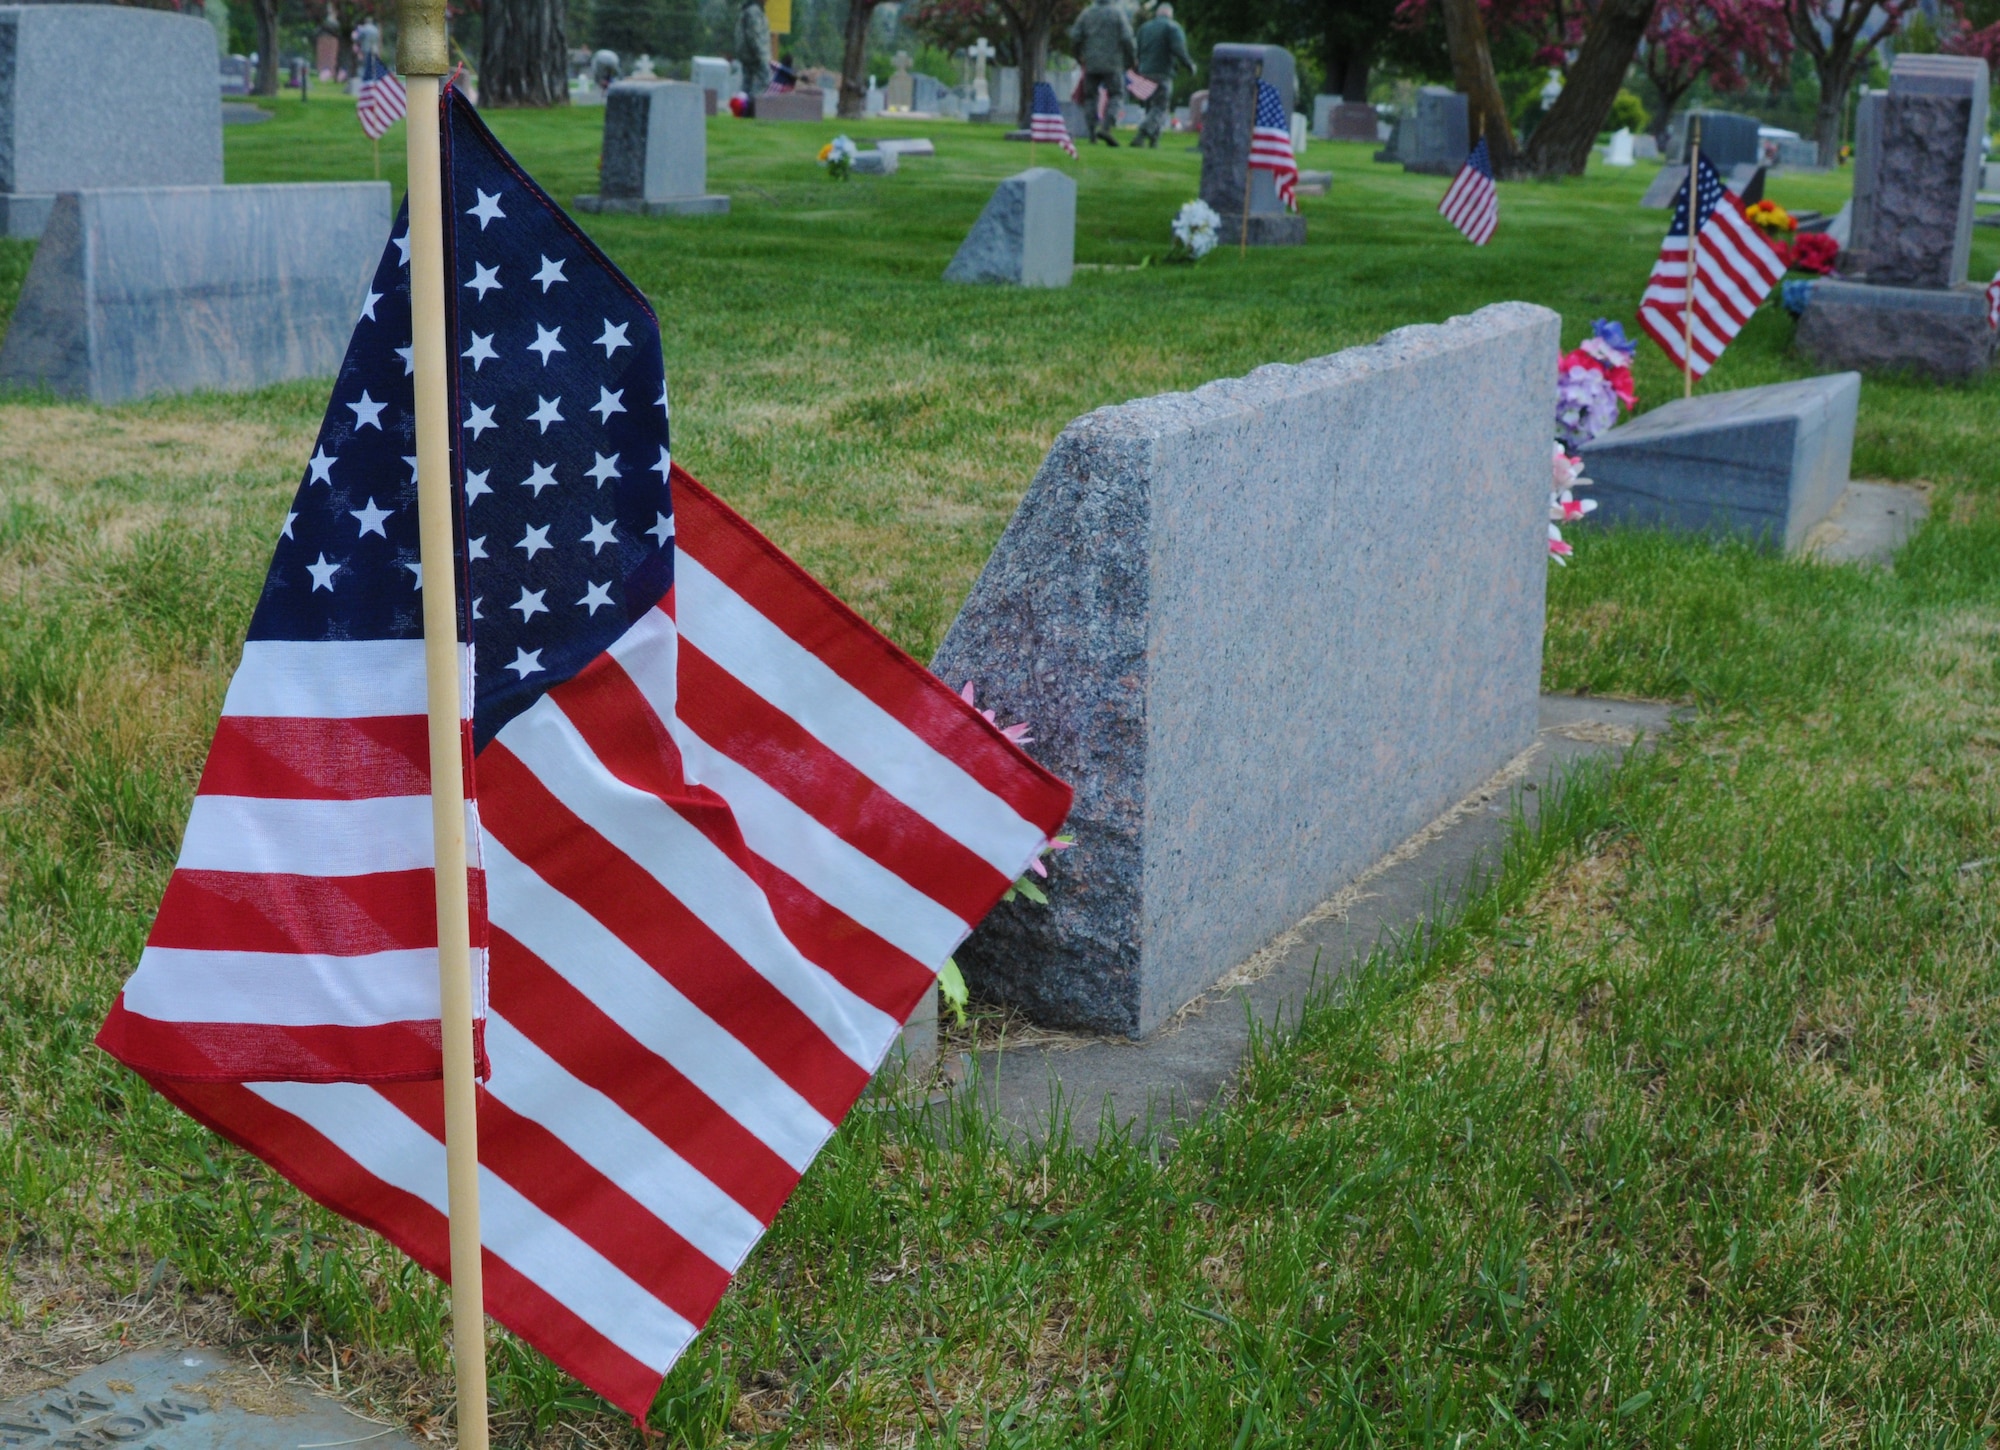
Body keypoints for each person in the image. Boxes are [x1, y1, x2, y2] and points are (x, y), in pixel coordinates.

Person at [1068, 0, 1136, 146]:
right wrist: (1131, 59)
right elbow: (1127, 38)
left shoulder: (1086, 14)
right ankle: (1106, 127)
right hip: (1113, 63)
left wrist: (1078, 56)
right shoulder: (1117, 13)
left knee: (1090, 97)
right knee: (1116, 94)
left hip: (1091, 62)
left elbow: (1075, 36)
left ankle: (1092, 132)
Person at [1132, 1, 1192, 148]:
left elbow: (1137, 51)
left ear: (1157, 13)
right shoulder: (1173, 27)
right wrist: (1189, 65)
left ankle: (1154, 141)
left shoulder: (1144, 28)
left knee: (1150, 107)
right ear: (1170, 14)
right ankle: (1142, 133)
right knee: (1160, 107)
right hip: (1162, 72)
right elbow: (1179, 50)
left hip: (1144, 71)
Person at [736, 0, 772, 105]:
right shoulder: (754, 11)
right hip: (755, 55)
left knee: (747, 83)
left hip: (747, 54)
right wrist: (761, 55)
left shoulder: (750, 9)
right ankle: (753, 107)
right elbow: (754, 35)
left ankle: (740, 108)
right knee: (764, 79)